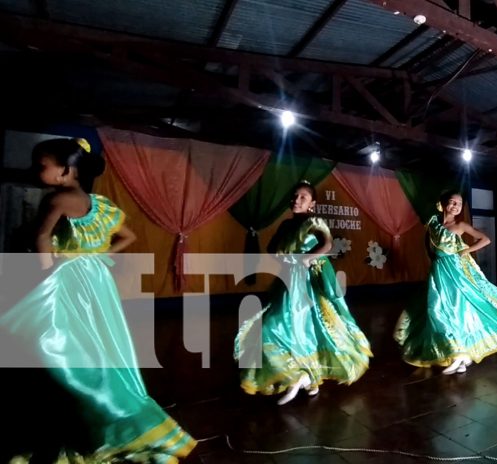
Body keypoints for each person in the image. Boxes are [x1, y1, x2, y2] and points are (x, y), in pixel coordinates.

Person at [0, 138, 196, 462]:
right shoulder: (98, 203)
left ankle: (72, 408)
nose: (35, 170)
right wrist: (96, 254)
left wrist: (47, 276)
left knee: (59, 339)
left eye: (41, 165)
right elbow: (128, 236)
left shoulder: (57, 200)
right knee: (98, 339)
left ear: (65, 171)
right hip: (96, 280)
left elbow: (41, 237)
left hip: (67, 279)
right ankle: (97, 409)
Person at [234, 180, 372, 405]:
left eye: (302, 198)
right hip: (288, 278)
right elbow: (272, 249)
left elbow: (327, 244)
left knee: (283, 326)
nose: (296, 200)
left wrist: (304, 260)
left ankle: (299, 375)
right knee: (295, 326)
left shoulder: (314, 221)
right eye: (294, 196)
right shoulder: (285, 225)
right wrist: (283, 257)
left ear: (312, 204)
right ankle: (309, 379)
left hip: (306, 281)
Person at [394, 190, 497, 375]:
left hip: (455, 271)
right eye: (452, 203)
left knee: (452, 308)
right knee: (436, 308)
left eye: (459, 204)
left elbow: (485, 239)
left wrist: (466, 251)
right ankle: (459, 357)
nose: (456, 207)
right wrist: (434, 261)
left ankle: (460, 353)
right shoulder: (433, 224)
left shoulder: (460, 225)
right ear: (443, 204)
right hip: (438, 270)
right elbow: (428, 246)